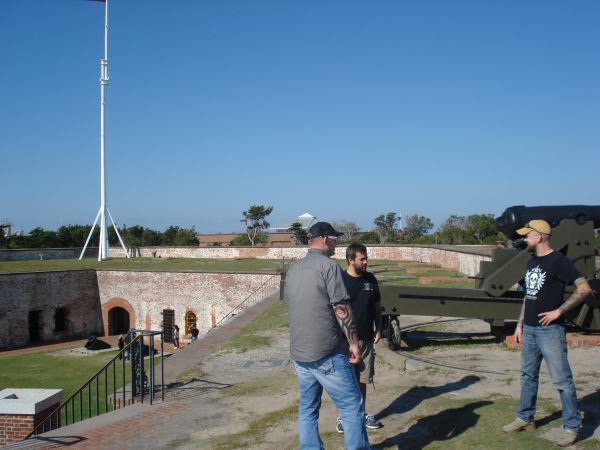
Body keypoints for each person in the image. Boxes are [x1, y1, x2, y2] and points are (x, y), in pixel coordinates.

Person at [502, 220, 592, 447]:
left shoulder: (559, 262)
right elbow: (528, 295)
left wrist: (558, 311)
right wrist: (519, 325)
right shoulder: (532, 261)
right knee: (528, 376)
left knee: (562, 381)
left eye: (528, 235)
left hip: (550, 331)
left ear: (540, 236)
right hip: (530, 329)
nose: (525, 239)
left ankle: (571, 427)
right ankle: (525, 417)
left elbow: (584, 288)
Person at [285, 221, 370, 450]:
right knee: (352, 406)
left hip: (301, 354)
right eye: (335, 239)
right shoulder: (328, 267)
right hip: (327, 353)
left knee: (308, 409)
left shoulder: (294, 269)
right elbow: (341, 308)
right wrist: (353, 343)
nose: (336, 244)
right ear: (325, 239)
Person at [336, 243, 383, 434]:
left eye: (366, 258)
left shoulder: (371, 279)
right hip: (344, 340)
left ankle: (360, 415)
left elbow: (377, 305)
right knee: (345, 382)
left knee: (363, 380)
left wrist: (379, 327)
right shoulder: (340, 279)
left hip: (366, 339)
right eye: (362, 259)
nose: (366, 261)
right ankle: (342, 418)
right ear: (350, 260)